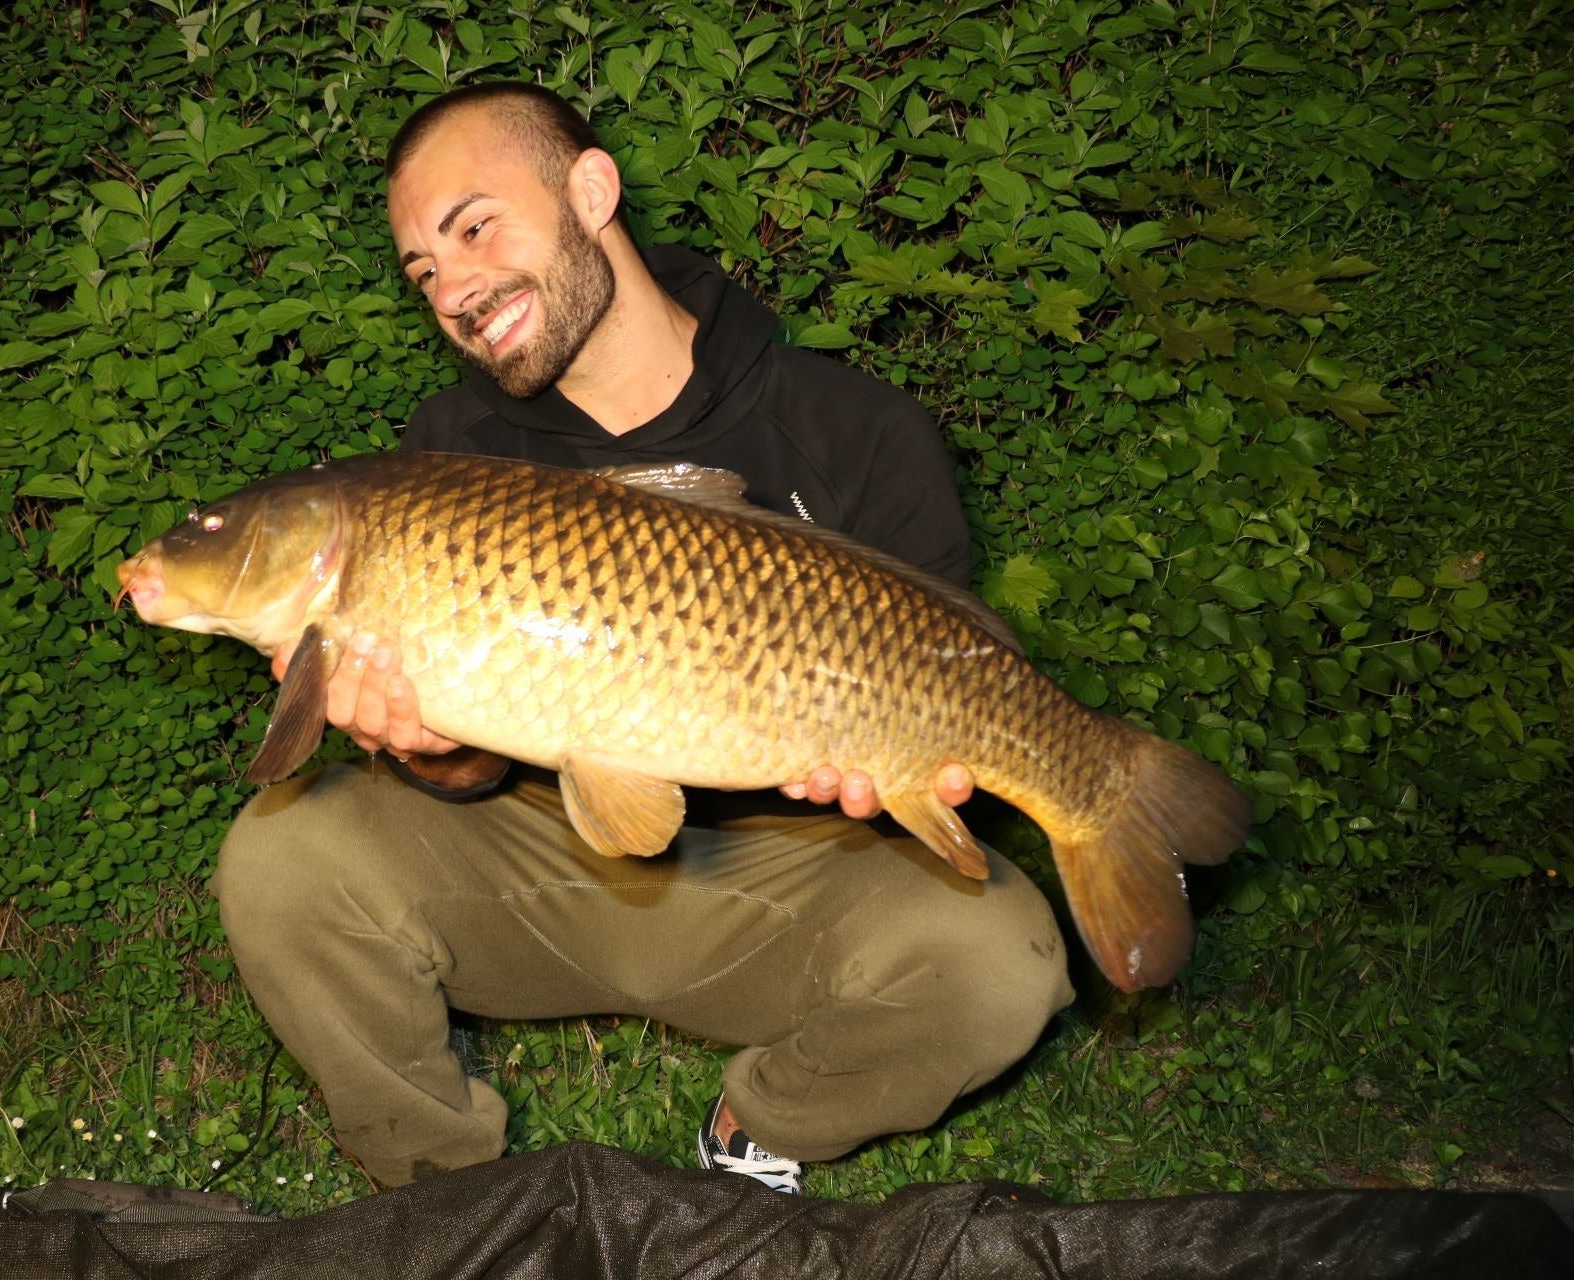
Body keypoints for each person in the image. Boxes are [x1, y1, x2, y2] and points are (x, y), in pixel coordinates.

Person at [213, 83, 1073, 1195]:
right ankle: (438, 1192)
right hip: (538, 857)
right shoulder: (448, 456)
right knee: (283, 855)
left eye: (475, 227)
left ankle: (764, 1123)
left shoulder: (854, 431)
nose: (455, 291)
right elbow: (469, 763)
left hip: (788, 873)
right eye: (423, 271)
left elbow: (943, 686)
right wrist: (426, 743)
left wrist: (901, 765)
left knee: (1005, 958)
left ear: (594, 187)